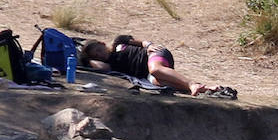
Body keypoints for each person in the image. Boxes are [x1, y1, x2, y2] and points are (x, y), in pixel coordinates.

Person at [80, 35, 234, 98]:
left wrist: (150, 45)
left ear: (102, 44)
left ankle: (192, 84)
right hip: (148, 72)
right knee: (158, 83)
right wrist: (87, 59)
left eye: (99, 50)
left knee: (155, 69)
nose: (100, 55)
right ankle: (208, 88)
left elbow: (141, 42)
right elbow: (100, 67)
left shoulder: (119, 42)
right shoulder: (109, 65)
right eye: (96, 55)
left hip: (153, 55)